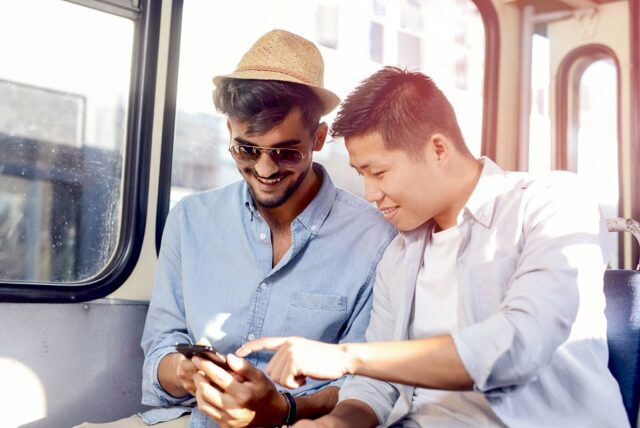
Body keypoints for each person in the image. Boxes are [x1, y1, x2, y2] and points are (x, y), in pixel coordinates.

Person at [238, 66, 629, 427]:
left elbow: (519, 344)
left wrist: (344, 356)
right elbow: (376, 386)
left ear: (438, 149)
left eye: (379, 172)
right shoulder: (399, 254)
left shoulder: (552, 201)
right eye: (361, 175)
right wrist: (336, 423)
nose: (370, 194)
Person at [76, 30, 395, 428]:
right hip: (188, 419)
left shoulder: (374, 241)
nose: (264, 170)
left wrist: (284, 407)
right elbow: (160, 345)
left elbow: (369, 383)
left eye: (286, 152)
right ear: (229, 131)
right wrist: (185, 373)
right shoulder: (190, 220)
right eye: (247, 149)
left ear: (318, 138)